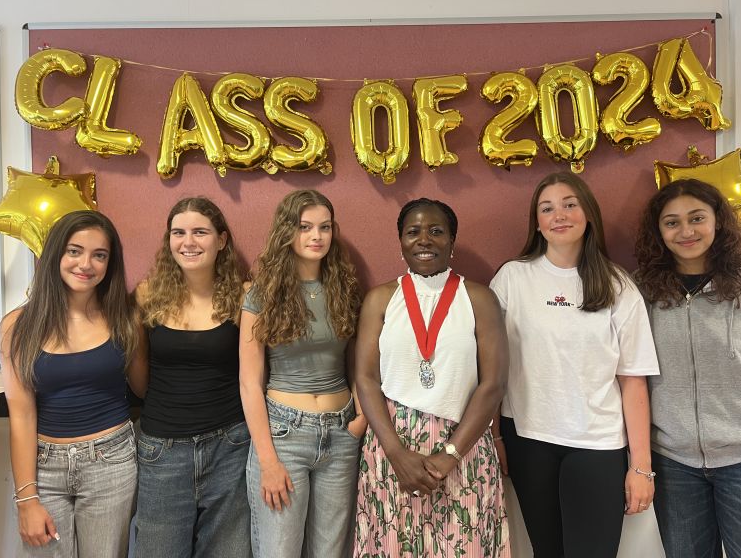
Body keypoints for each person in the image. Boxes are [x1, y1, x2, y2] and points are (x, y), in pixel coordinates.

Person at [490, 172, 660, 558]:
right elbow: (491, 369)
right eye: (547, 208)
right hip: (529, 440)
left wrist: (641, 467)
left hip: (596, 444)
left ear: (588, 214)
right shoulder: (513, 278)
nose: (559, 215)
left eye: (569, 204)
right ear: (537, 222)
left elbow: (633, 381)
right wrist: (495, 436)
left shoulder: (617, 285)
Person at [353, 197, 509, 557]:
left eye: (436, 231)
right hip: (393, 445)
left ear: (452, 241)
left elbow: (494, 383)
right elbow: (365, 378)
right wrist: (395, 452)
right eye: (414, 232)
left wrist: (450, 455)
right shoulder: (380, 299)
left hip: (463, 445)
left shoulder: (479, 298)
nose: (424, 239)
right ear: (401, 242)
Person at [0, 210, 141, 557]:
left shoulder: (125, 318)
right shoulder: (17, 326)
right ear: (55, 255)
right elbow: (21, 416)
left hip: (112, 461)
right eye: (74, 251)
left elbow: (144, 387)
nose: (86, 264)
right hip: (44, 467)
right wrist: (27, 498)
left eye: (99, 255)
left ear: (110, 263)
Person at [634, 178, 741, 558]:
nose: (686, 231)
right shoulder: (642, 291)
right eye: (672, 222)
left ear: (718, 222)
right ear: (658, 232)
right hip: (674, 461)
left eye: (697, 218)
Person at [240, 189, 362, 557]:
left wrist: (360, 419)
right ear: (286, 231)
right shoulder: (262, 295)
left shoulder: (345, 289)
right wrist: (268, 460)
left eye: (324, 227)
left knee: (330, 551)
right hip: (284, 435)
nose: (316, 236)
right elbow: (249, 381)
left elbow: (361, 363)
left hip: (341, 434)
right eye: (305, 227)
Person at [134, 197, 251, 558]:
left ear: (222, 239)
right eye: (178, 233)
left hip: (230, 446)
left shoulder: (244, 296)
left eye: (200, 232)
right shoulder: (147, 295)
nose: (188, 242)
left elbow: (253, 373)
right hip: (162, 451)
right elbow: (139, 379)